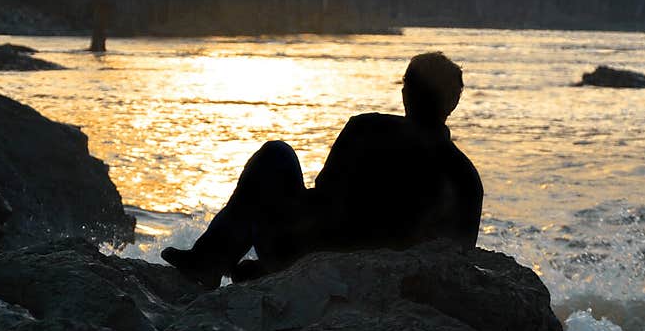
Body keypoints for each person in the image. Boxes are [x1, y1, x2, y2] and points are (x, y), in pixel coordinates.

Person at [161, 52, 483, 286]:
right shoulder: (465, 178)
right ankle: (260, 270)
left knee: (278, 154)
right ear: (452, 104)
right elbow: (457, 256)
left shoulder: (366, 129)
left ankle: (210, 261)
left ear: (405, 95)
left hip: (304, 256)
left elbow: (325, 192)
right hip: (369, 280)